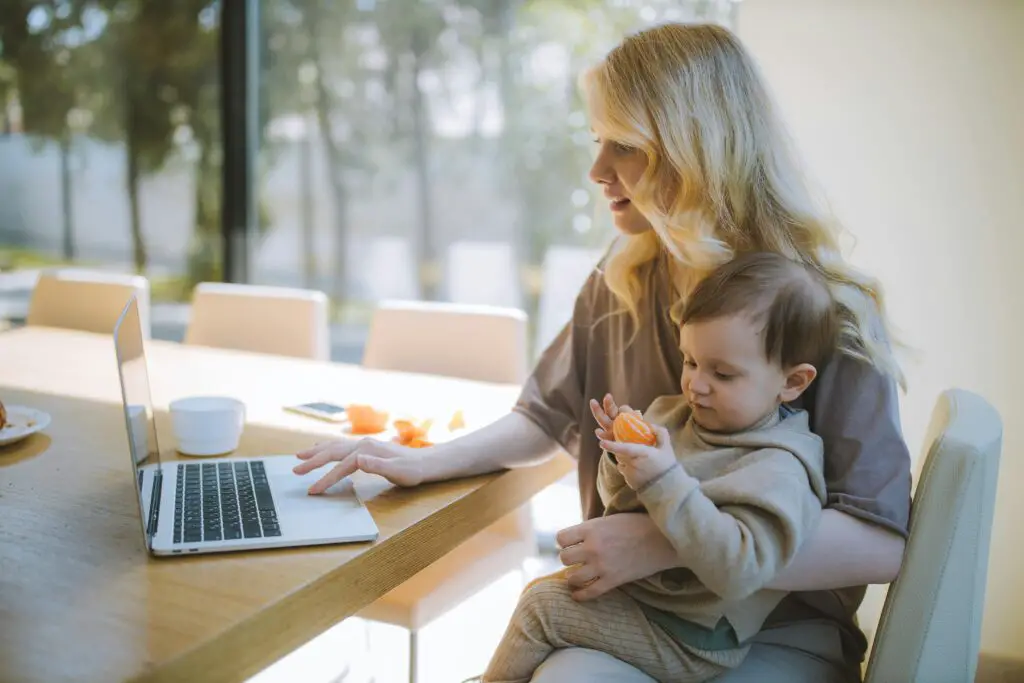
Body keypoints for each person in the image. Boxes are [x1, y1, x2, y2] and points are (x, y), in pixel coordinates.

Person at [293, 22, 911, 683]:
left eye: (625, 147)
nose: (596, 171)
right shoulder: (622, 277)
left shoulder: (824, 312)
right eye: (596, 142)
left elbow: (877, 542)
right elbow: (545, 416)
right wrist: (426, 461)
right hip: (643, 609)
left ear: (695, 151)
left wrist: (664, 540)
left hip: (775, 632)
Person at [481, 252, 836, 683]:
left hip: (692, 637)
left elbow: (740, 570)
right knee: (546, 591)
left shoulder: (780, 466)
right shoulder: (676, 415)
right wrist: (622, 459)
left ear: (793, 382)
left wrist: (665, 479)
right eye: (690, 361)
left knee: (541, 610)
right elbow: (621, 504)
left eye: (723, 374)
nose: (696, 385)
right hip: (647, 602)